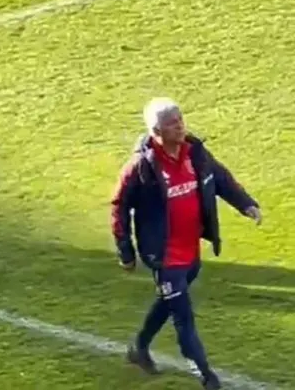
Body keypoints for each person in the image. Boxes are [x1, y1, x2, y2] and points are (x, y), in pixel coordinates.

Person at [111, 97, 262, 390]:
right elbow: (119, 207)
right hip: (164, 255)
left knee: (168, 301)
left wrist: (246, 204)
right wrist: (125, 251)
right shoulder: (141, 167)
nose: (180, 126)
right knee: (183, 317)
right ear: (156, 131)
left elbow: (220, 178)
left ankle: (138, 348)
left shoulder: (195, 153)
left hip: (190, 250)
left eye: (180, 119)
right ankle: (207, 377)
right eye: (172, 123)